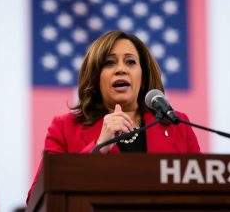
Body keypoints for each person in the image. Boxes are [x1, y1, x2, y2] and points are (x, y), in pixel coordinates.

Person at [26, 30, 200, 203]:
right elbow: (37, 199)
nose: (121, 70)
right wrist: (100, 147)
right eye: (109, 63)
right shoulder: (64, 128)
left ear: (143, 75)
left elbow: (201, 193)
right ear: (95, 78)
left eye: (130, 62)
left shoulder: (177, 124)